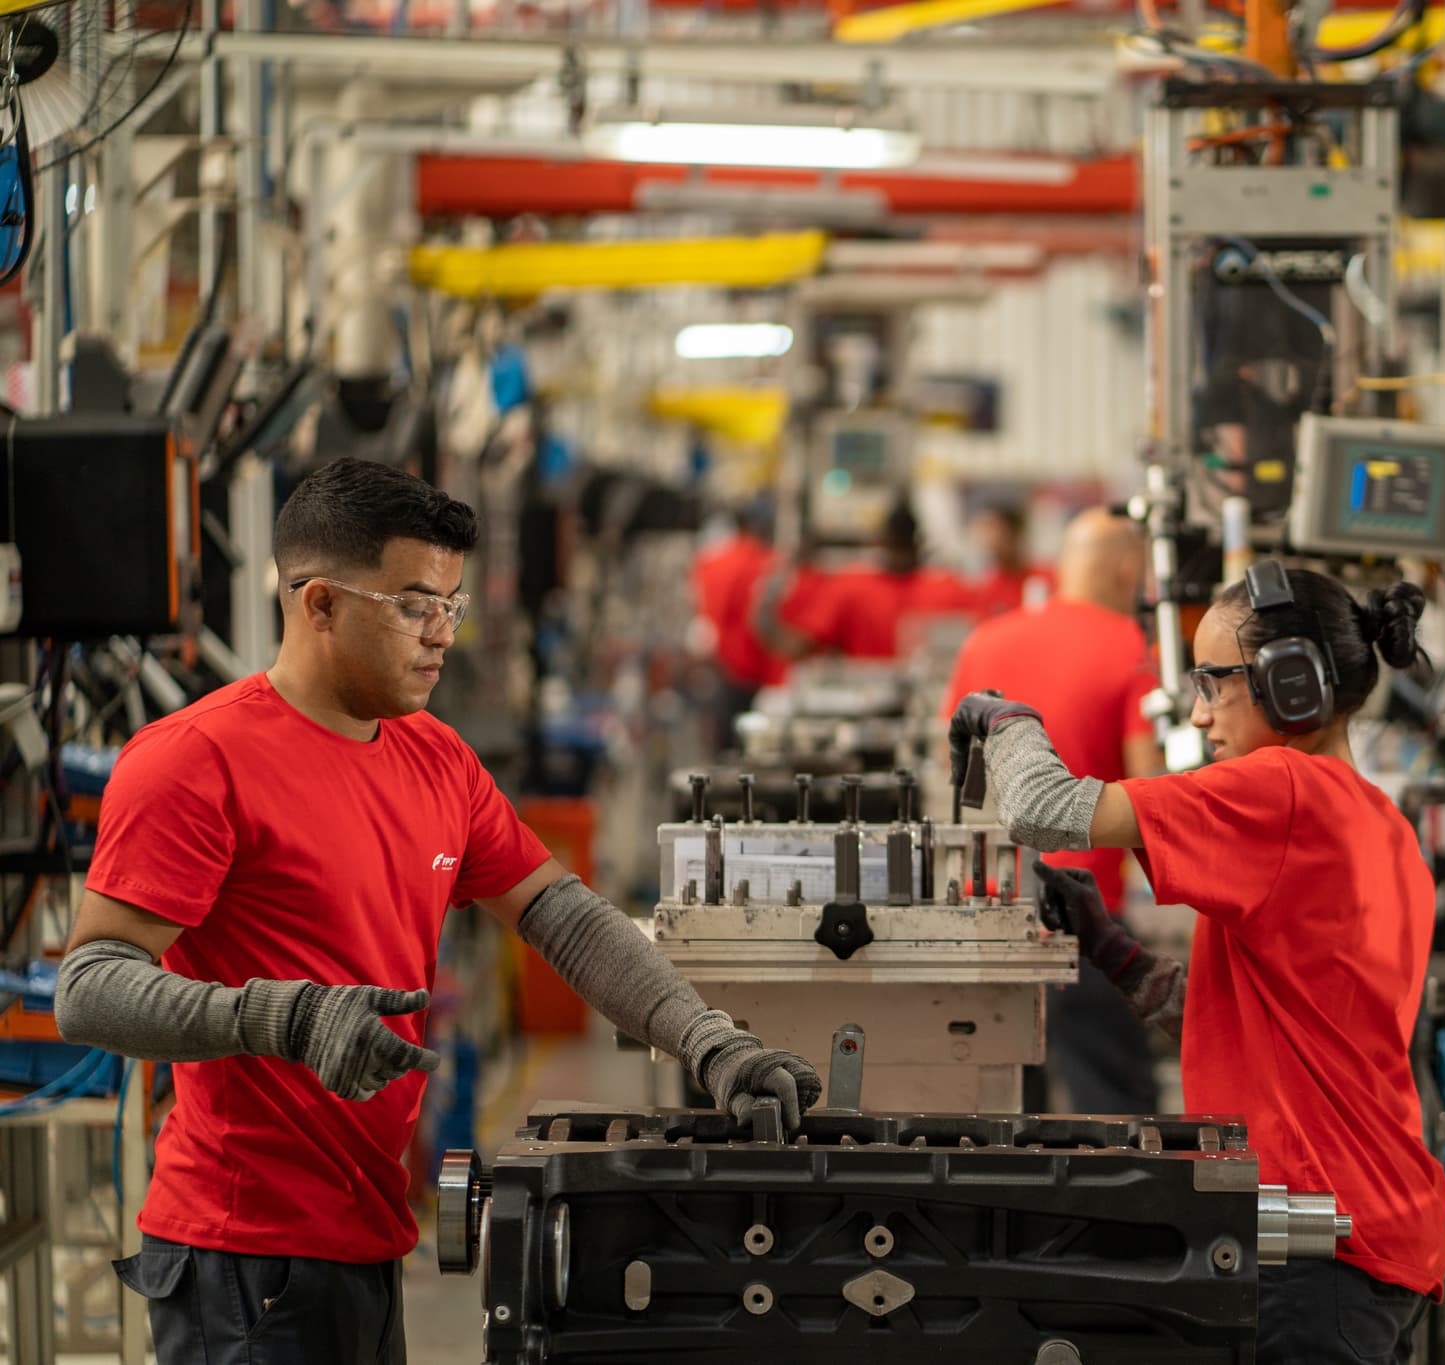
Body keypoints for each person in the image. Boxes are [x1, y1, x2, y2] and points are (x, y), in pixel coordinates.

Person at [53, 458, 821, 1365]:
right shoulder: (194, 760)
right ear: (319, 604)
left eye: (451, 605)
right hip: (243, 1254)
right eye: (414, 605)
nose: (443, 634)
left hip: (371, 1228)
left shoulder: (437, 758)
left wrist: (707, 1040)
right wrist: (282, 1017)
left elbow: (563, 917)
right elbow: (89, 987)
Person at [949, 563, 1445, 1365]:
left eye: (1214, 682)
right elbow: (1254, 1024)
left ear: (1292, 683)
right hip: (1369, 1231)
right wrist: (1113, 951)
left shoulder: (1282, 789)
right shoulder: (1381, 824)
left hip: (1314, 1244)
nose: (1197, 712)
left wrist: (1006, 715)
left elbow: (1042, 808)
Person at [944, 508, 1164, 1114]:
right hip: (1081, 918)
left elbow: (955, 772)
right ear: (1128, 569)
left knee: (1006, 1112)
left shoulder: (986, 639)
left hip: (985, 911)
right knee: (1118, 1108)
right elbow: (1153, 795)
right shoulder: (1133, 649)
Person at [758, 496, 980, 662]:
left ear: (881, 541)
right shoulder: (950, 587)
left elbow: (797, 648)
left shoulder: (851, 586)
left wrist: (764, 615)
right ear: (919, 543)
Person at [690, 498, 785, 746]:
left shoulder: (713, 564)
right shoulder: (774, 562)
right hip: (769, 673)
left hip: (730, 670)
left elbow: (708, 618)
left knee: (729, 744)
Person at [966, 502, 1053, 616]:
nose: (990, 540)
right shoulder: (986, 588)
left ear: (1014, 532)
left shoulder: (1047, 577)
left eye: (996, 531)